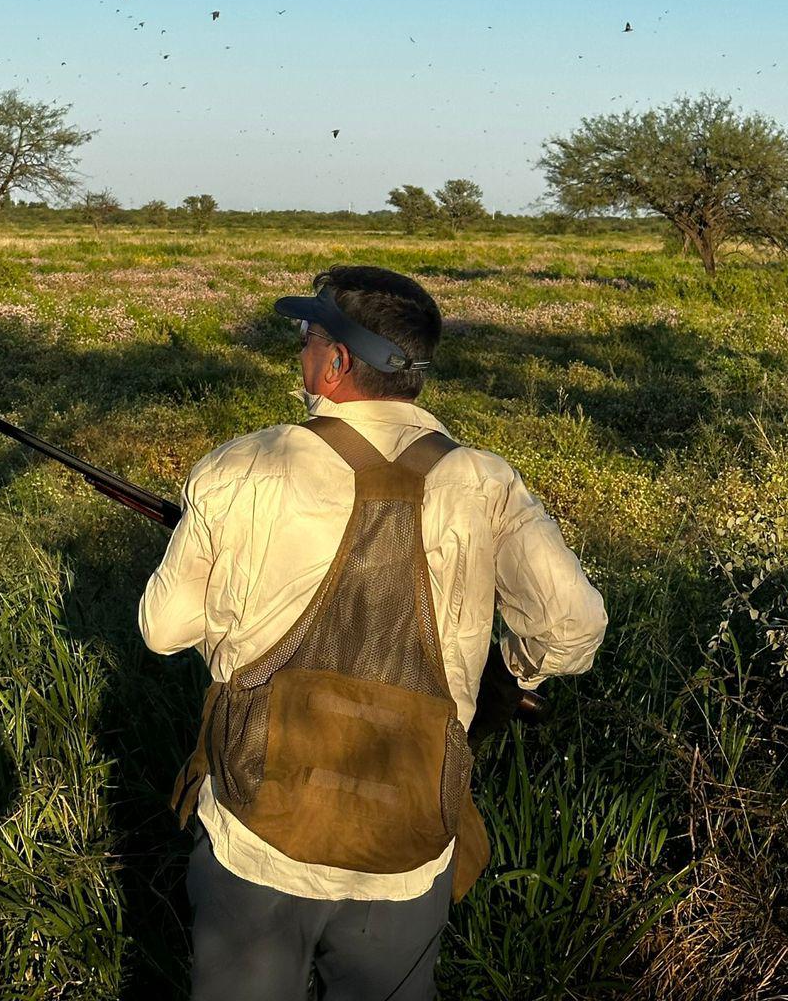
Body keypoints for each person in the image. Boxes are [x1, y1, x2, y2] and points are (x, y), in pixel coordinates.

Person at [138, 264, 608, 1001]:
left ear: (337, 362)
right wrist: (511, 677)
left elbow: (163, 630)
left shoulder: (244, 466)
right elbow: (573, 623)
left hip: (259, 835)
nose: (300, 350)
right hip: (408, 843)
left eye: (308, 334)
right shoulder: (485, 482)